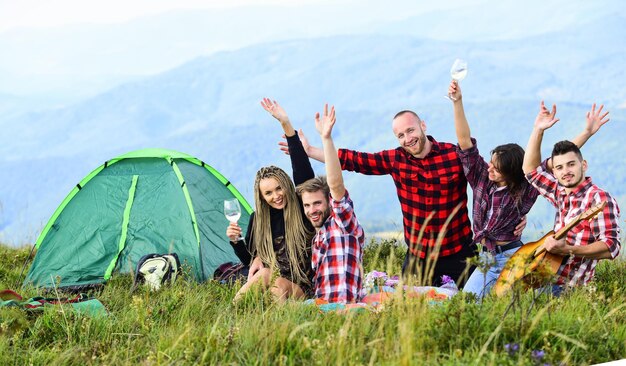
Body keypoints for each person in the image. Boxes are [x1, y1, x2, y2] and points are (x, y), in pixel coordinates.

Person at [449, 81, 607, 298]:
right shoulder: (480, 178)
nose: (490, 169)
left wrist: (586, 132)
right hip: (486, 257)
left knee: (515, 303)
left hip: (514, 254)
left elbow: (560, 162)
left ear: (512, 173)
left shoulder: (525, 188)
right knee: (467, 302)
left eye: (497, 168)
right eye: (491, 163)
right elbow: (464, 141)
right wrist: (457, 101)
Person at [290, 110, 479, 286]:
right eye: (401, 135)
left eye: (410, 130)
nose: (407, 139)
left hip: (459, 254)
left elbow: (486, 181)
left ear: (423, 125)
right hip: (419, 258)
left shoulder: (453, 155)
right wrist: (311, 151)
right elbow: (354, 160)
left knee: (471, 306)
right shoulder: (396, 159)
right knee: (410, 312)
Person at [522, 101, 621, 293]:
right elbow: (531, 171)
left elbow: (611, 247)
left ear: (584, 165)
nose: (565, 171)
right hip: (544, 278)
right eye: (559, 167)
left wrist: (568, 250)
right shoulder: (560, 193)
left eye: (571, 165)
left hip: (569, 288)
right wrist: (538, 129)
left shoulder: (599, 199)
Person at [226, 98, 315, 302]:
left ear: (286, 185)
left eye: (279, 188)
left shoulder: (302, 207)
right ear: (262, 197)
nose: (276, 196)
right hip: (272, 282)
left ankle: (272, 325)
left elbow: (302, 170)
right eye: (268, 193)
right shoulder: (259, 219)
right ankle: (233, 314)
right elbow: (251, 262)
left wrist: (285, 123)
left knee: (274, 282)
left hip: (303, 286)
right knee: (266, 275)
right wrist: (236, 241)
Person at [296, 104, 365, 303]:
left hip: (345, 311)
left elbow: (335, 184)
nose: (311, 211)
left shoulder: (342, 225)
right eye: (307, 206)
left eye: (317, 203)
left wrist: (326, 139)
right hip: (321, 312)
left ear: (329, 202)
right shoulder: (318, 238)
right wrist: (302, 149)